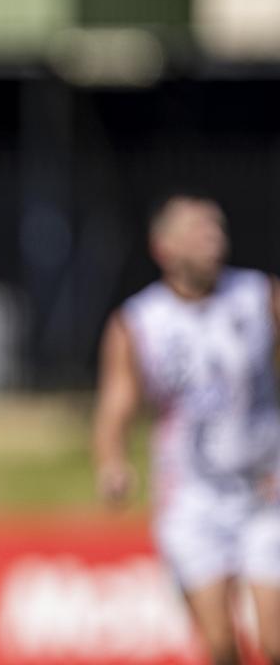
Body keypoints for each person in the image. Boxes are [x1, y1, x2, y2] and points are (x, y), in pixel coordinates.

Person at [93, 193, 280, 665]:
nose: (214, 241)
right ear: (164, 248)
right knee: (220, 644)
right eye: (199, 232)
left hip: (266, 489)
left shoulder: (260, 296)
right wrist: (112, 462)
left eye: (217, 230)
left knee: (275, 639)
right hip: (192, 498)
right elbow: (117, 402)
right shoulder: (138, 323)